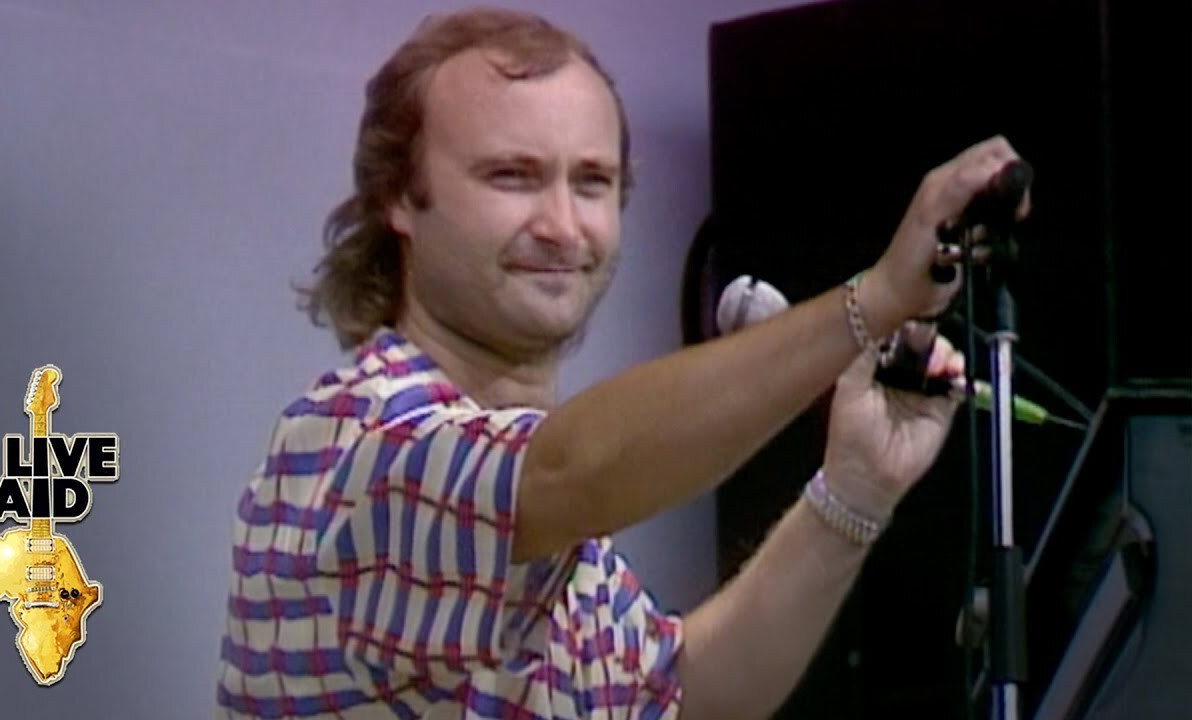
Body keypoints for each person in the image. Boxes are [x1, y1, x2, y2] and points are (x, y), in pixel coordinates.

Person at [216, 7, 1026, 719]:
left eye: (592, 182)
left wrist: (855, 489)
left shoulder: (554, 526)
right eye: (512, 176)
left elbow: (692, 696)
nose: (563, 226)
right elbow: (565, 470)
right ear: (398, 197)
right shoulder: (354, 444)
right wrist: (873, 301)